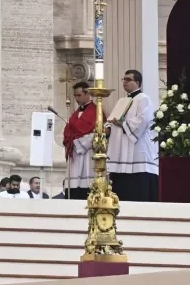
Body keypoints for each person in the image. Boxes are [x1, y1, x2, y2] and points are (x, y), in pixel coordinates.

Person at [105, 69, 159, 202]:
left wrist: (123, 123)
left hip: (137, 151)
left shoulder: (143, 99)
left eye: (128, 80)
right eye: (123, 79)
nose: (124, 82)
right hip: (120, 150)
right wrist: (108, 128)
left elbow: (143, 121)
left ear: (137, 82)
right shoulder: (121, 101)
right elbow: (112, 119)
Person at [62, 82, 97, 200]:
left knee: (85, 186)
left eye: (79, 95)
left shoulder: (96, 111)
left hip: (86, 153)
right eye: (75, 96)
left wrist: (78, 143)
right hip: (74, 154)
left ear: (87, 93)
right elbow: (68, 131)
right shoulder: (75, 114)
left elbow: (97, 133)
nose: (76, 99)